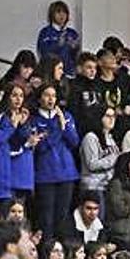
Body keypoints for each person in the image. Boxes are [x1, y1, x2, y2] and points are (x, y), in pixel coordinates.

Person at [29, 84, 80, 239]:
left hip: (67, 175)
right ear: (39, 98)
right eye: (46, 95)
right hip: (45, 175)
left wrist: (63, 126)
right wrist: (58, 129)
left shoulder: (66, 116)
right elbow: (41, 146)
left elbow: (74, 141)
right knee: (46, 219)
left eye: (53, 95)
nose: (50, 99)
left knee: (62, 218)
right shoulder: (34, 120)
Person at [79, 107, 120, 217]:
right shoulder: (90, 137)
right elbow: (91, 164)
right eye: (108, 116)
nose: (112, 119)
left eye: (114, 116)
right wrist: (113, 159)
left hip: (107, 186)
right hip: (93, 188)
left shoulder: (111, 138)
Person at [37, 0, 80, 77]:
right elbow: (43, 53)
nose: (62, 15)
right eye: (58, 12)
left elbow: (77, 56)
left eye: (64, 12)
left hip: (69, 73)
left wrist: (75, 48)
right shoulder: (45, 32)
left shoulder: (72, 33)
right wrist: (58, 45)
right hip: (50, 74)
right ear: (52, 14)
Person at [67, 52, 105, 136]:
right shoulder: (73, 86)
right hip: (81, 133)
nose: (93, 71)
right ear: (79, 68)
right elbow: (73, 111)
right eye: (89, 67)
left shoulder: (98, 86)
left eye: (95, 68)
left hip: (98, 132)